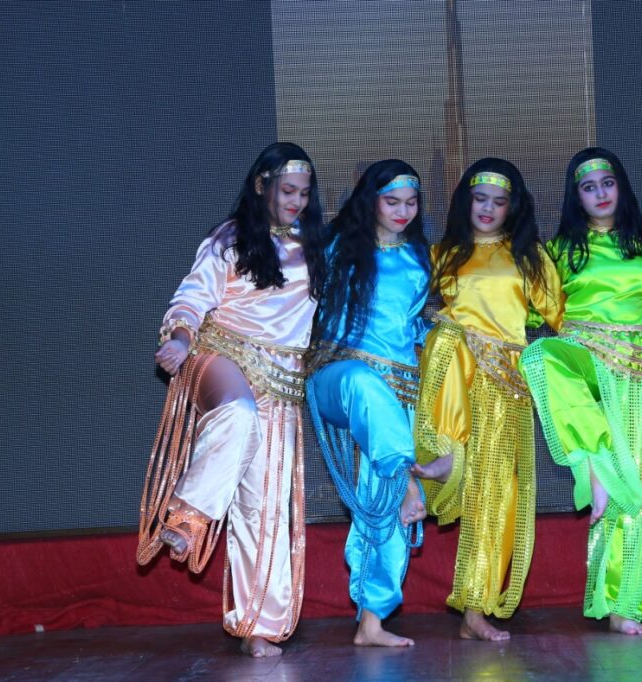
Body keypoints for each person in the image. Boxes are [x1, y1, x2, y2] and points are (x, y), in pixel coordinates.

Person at [136, 142, 327, 657]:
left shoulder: (313, 246)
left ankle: (256, 626)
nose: (296, 201)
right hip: (220, 356)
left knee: (265, 506)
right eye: (287, 191)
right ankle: (187, 514)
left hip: (280, 381)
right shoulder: (230, 238)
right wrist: (179, 338)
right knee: (238, 414)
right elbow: (192, 296)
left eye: (304, 193)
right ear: (262, 186)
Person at [412, 158, 563, 641]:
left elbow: (562, 317)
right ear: (466, 201)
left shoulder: (529, 257)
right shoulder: (442, 254)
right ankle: (445, 454)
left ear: (511, 208)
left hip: (504, 386)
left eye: (499, 202)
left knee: (495, 492)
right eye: (480, 199)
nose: (488, 209)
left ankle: (475, 608)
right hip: (454, 378)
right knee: (446, 335)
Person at [518, 148, 642, 634]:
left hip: (638, 374)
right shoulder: (560, 251)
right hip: (587, 369)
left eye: (607, 183)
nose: (600, 194)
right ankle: (591, 464)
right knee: (540, 357)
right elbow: (535, 313)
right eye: (588, 187)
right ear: (575, 196)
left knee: (635, 486)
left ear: (621, 187)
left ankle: (622, 603)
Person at [305, 160, 429, 647]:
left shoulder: (418, 257)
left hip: (395, 393)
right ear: (370, 201)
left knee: (384, 505)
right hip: (339, 376)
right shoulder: (336, 248)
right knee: (363, 383)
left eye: (411, 203)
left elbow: (413, 325)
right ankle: (407, 478)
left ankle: (371, 622)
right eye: (391, 201)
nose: (402, 211)